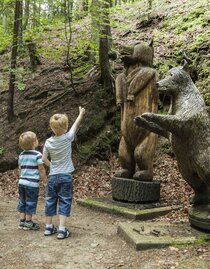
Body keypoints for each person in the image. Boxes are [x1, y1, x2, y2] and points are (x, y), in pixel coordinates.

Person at [42, 106, 86, 239]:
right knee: (64, 200)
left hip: (53, 176)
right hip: (66, 176)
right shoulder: (68, 138)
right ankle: (61, 229)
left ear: (51, 128)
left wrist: (52, 165)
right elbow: (76, 124)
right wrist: (81, 113)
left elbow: (44, 159)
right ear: (65, 127)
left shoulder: (48, 142)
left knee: (50, 200)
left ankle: (48, 227)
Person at [17, 131, 47, 230]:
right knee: (30, 201)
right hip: (32, 184)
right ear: (34, 143)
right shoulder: (37, 155)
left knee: (22, 201)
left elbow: (20, 168)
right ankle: (28, 222)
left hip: (21, 182)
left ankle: (22, 221)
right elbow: (41, 169)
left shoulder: (21, 155)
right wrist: (45, 181)